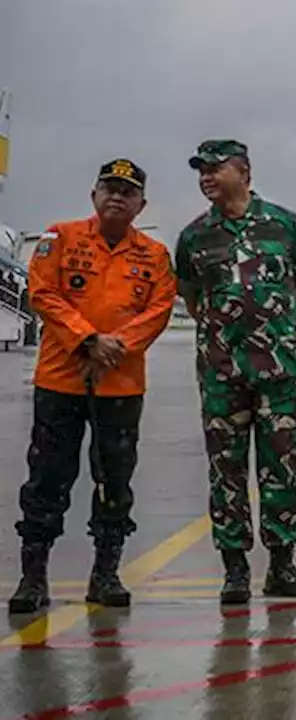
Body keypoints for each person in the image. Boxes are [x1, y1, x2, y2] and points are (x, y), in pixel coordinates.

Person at [8, 159, 176, 614]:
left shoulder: (155, 255)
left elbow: (159, 309)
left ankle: (106, 573)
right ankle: (33, 576)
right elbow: (43, 293)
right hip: (61, 381)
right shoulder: (59, 237)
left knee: (114, 481)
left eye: (128, 191)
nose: (117, 196)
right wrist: (85, 340)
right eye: (109, 187)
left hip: (119, 386)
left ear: (141, 204)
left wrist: (115, 347)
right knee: (47, 478)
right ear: (94, 195)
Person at [175, 139, 296, 604]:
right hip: (222, 373)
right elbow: (193, 299)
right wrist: (229, 336)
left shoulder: (285, 224)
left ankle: (282, 565)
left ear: (244, 171)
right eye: (201, 170)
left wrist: (268, 333)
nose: (206, 177)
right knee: (226, 470)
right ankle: (234, 570)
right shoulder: (195, 236)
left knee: (281, 467)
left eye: (215, 168)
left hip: (278, 372)